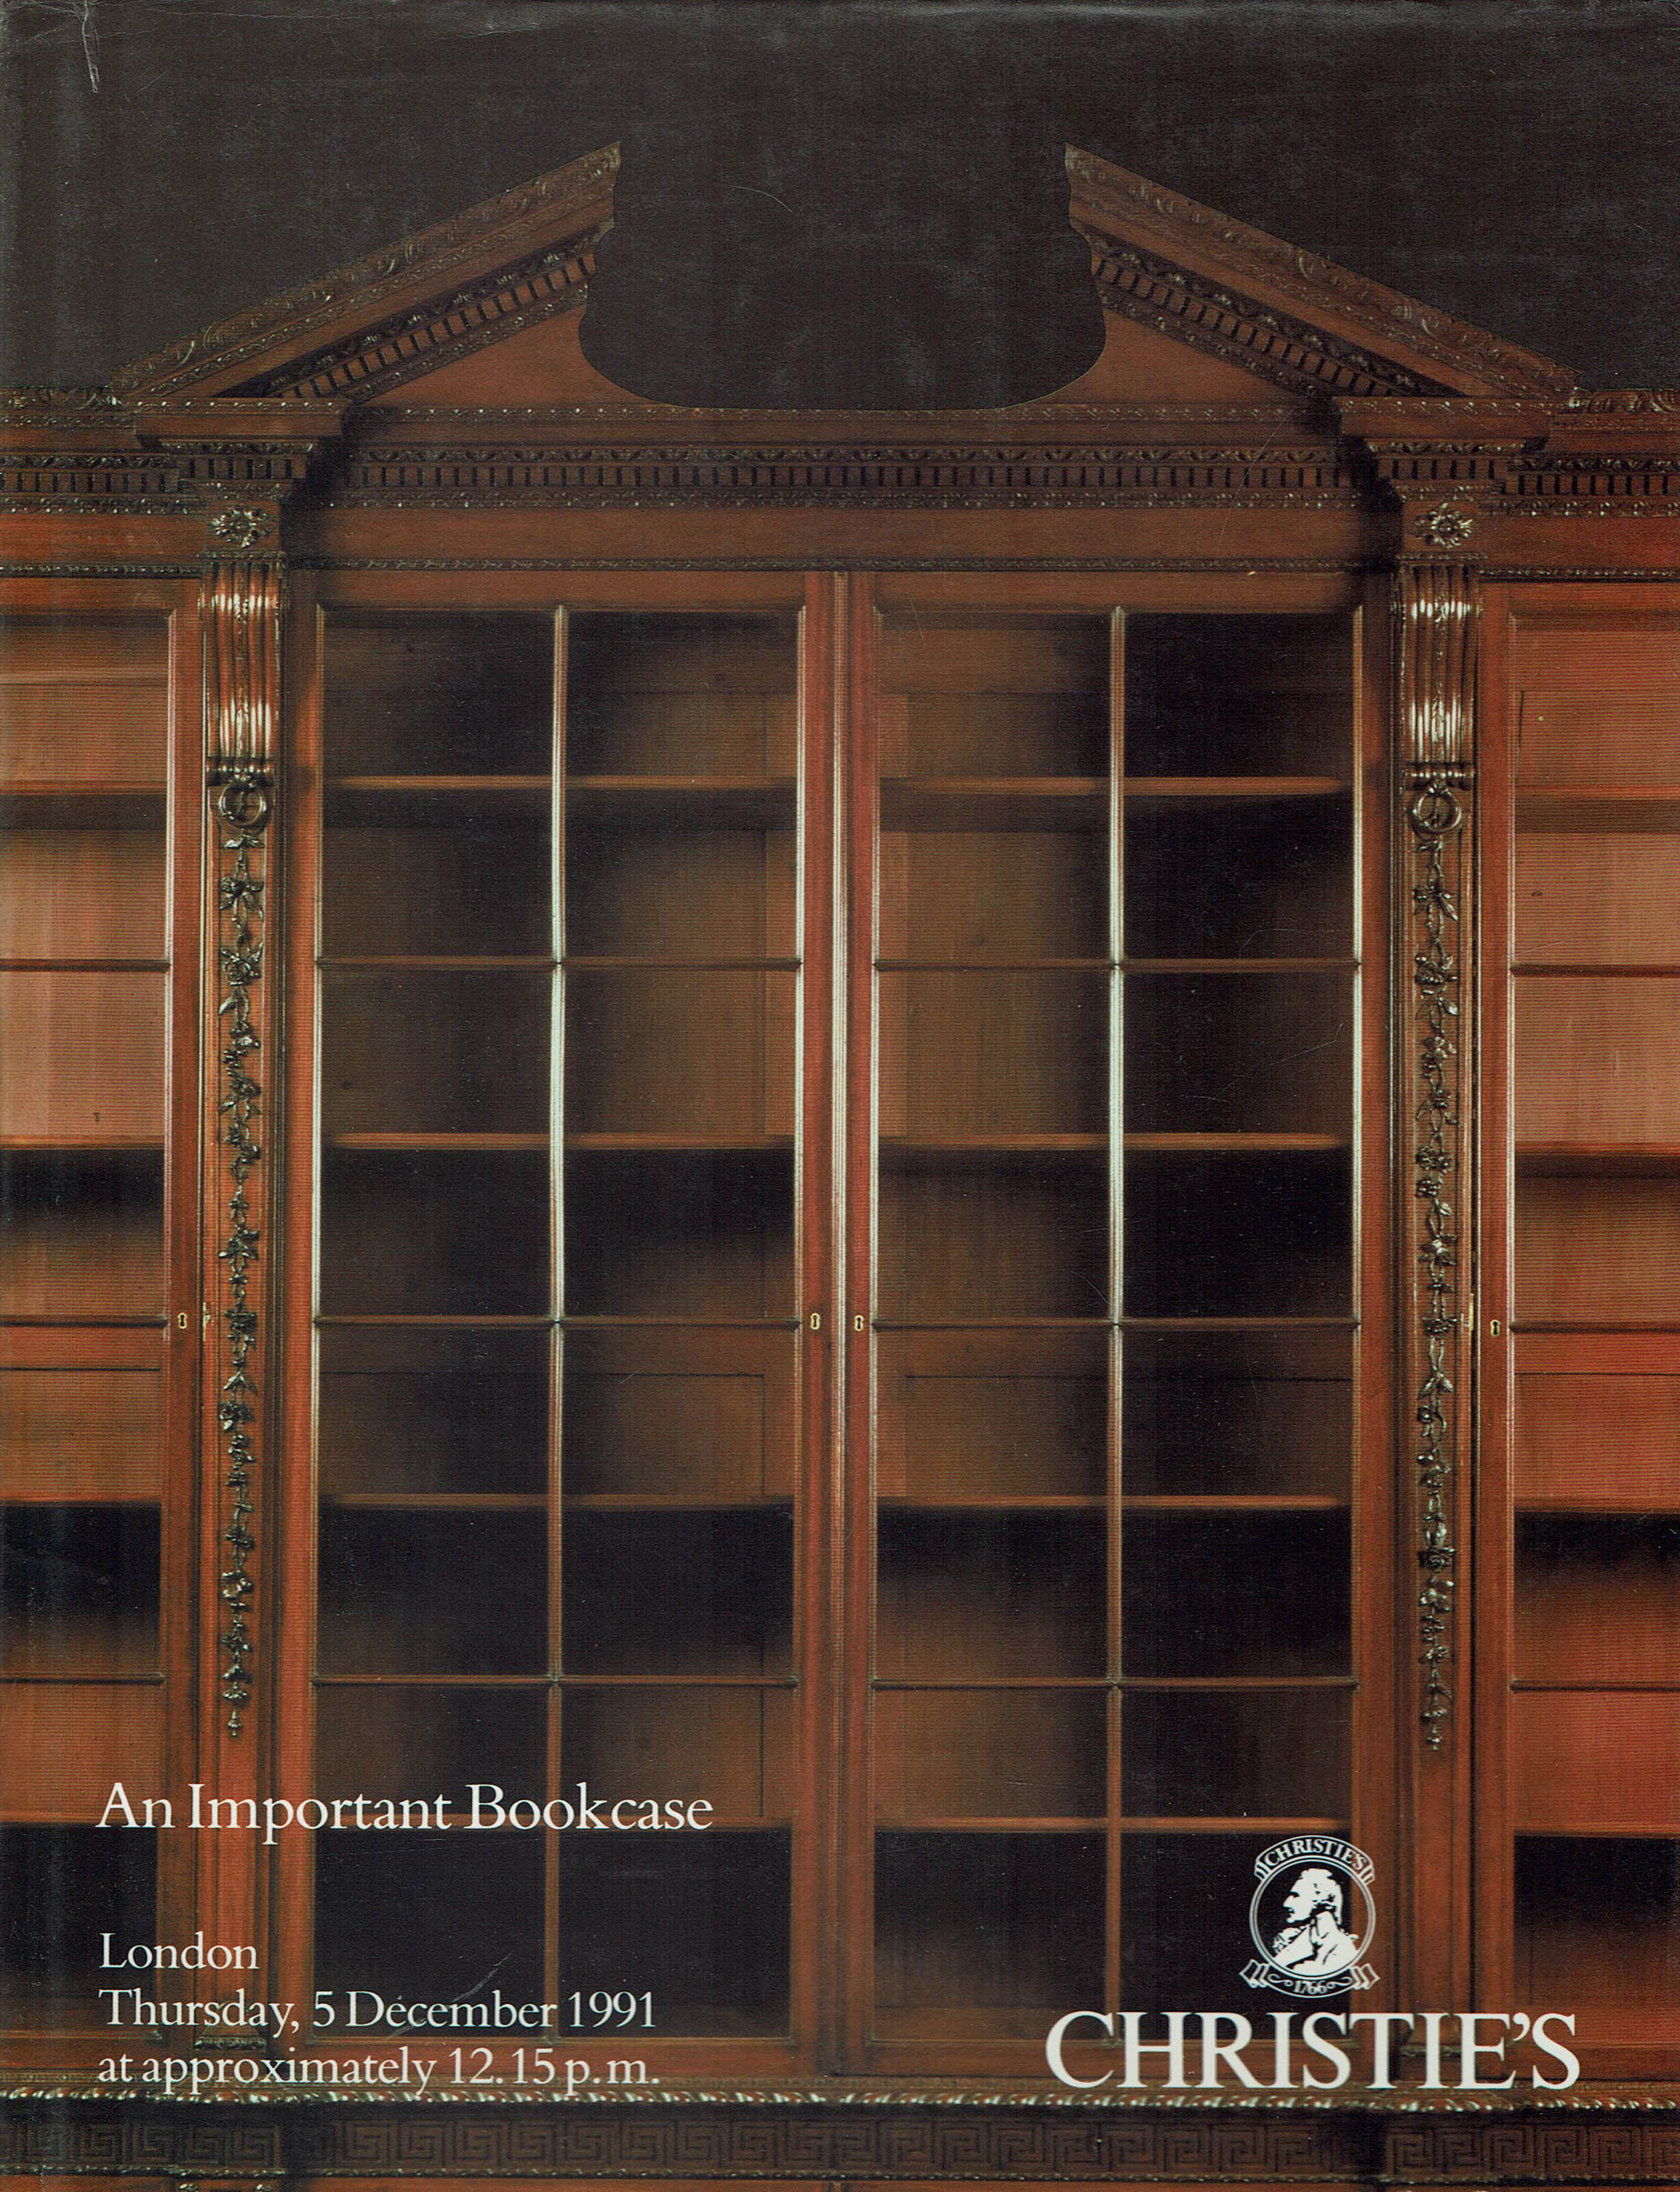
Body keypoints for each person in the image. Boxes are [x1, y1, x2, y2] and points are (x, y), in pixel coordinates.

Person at [1268, 1866, 1359, 1976]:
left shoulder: (1343, 1949)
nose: (1287, 1904)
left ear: (1320, 1899)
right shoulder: (1294, 1938)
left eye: (1296, 1896)